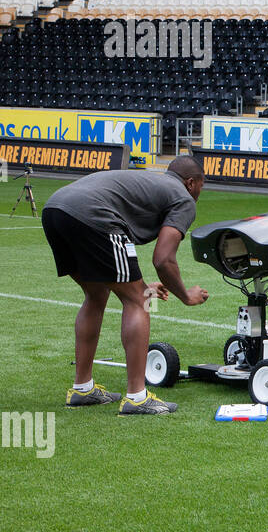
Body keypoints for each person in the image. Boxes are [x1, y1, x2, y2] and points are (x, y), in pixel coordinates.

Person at [42, 156, 209, 415]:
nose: (200, 192)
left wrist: (139, 285)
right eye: (201, 185)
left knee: (96, 294)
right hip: (92, 215)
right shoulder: (183, 198)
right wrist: (186, 295)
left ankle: (82, 389)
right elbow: (163, 260)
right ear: (191, 183)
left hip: (55, 210)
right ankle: (137, 397)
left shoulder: (153, 182)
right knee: (138, 300)